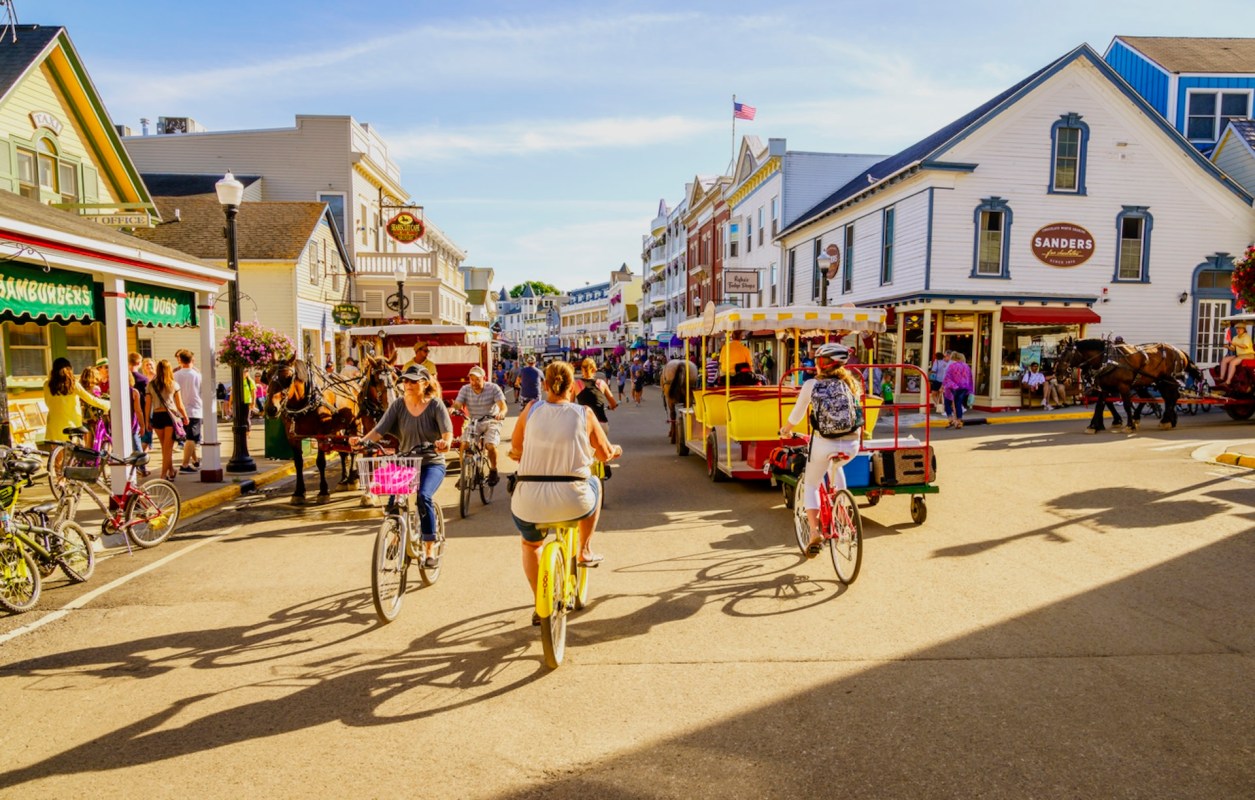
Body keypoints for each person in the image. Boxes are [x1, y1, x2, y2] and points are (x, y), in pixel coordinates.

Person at [509, 361, 622, 624]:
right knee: (594, 481)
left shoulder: (530, 410)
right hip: (574, 500)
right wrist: (615, 450)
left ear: (544, 386)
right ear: (573, 388)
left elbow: (516, 450)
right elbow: (604, 454)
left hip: (529, 501)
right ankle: (583, 549)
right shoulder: (585, 414)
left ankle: (541, 602)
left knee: (531, 544)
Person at [359, 365, 453, 567]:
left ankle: (429, 549)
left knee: (423, 497)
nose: (407, 385)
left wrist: (444, 443)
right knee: (393, 502)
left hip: (431, 462)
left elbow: (447, 433)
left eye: (413, 381)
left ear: (424, 383)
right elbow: (378, 431)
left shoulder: (435, 405)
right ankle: (395, 536)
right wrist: (362, 442)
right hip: (406, 461)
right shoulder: (398, 405)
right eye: (405, 381)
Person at [778, 342, 863, 558]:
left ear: (821, 364)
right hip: (853, 443)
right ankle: (842, 510)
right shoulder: (851, 384)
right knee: (836, 466)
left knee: (812, 484)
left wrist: (785, 430)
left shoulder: (811, 385)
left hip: (825, 442)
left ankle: (815, 532)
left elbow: (796, 415)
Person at [452, 365, 507, 485]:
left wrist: (501, 413)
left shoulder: (493, 388)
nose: (474, 382)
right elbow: (457, 404)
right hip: (474, 421)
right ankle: (463, 474)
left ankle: (493, 470)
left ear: (484, 378)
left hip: (491, 420)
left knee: (490, 445)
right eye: (472, 379)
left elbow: (503, 406)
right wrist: (453, 409)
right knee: (464, 444)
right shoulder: (465, 389)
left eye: (477, 379)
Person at [42, 357, 109, 445]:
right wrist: (107, 404)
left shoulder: (47, 384)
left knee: (57, 457)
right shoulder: (73, 384)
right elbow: (90, 399)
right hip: (72, 426)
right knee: (74, 455)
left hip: (53, 425)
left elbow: (47, 403)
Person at [146, 359, 190, 481]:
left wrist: (146, 422)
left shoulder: (151, 385)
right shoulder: (174, 384)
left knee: (164, 448)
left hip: (157, 416)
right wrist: (185, 416)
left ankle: (171, 471)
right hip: (170, 416)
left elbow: (147, 405)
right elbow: (180, 404)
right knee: (168, 449)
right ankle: (163, 474)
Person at [173, 349, 203, 474]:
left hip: (180, 409)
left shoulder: (175, 375)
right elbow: (202, 391)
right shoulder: (197, 375)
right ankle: (185, 464)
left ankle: (195, 461)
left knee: (189, 438)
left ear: (180, 360)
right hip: (194, 409)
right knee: (192, 438)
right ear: (192, 360)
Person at [575, 357, 618, 433]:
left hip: (586, 424)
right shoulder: (601, 383)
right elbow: (614, 403)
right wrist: (611, 407)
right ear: (595, 369)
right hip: (601, 423)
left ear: (582, 369)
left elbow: (570, 404)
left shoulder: (577, 384)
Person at [943, 352, 975, 428]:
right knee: (958, 404)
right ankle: (959, 421)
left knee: (947, 402)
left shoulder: (951, 366)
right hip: (964, 387)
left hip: (953, 387)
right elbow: (970, 378)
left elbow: (947, 377)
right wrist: (970, 390)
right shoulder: (966, 366)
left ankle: (950, 419)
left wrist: (946, 386)